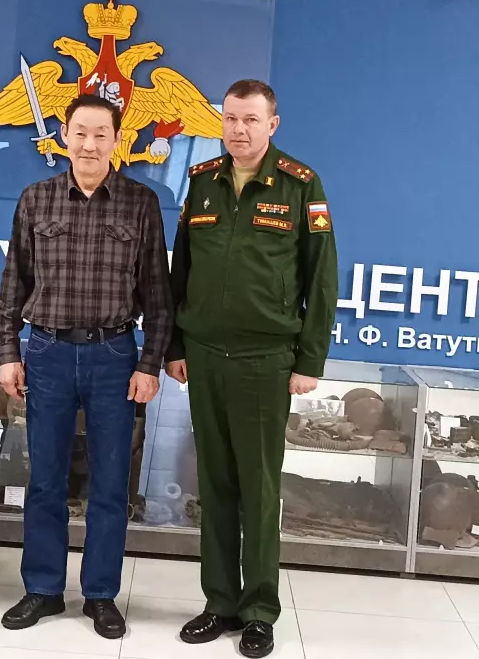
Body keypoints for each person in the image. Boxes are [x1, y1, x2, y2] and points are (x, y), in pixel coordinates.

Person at [165, 79, 338, 658]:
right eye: (230, 119)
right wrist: (174, 345)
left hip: (266, 359)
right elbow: (181, 272)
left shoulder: (300, 184)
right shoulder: (202, 181)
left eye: (250, 120)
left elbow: (321, 277)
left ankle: (259, 610)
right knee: (214, 484)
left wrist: (309, 359)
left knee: (260, 490)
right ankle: (219, 602)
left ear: (272, 124)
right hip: (205, 355)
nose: (238, 130)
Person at [0, 94, 173, 640]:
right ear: (64, 137)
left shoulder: (141, 203)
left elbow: (158, 295)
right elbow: (13, 285)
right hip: (46, 353)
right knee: (45, 479)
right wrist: (8, 353)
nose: (90, 144)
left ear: (117, 139)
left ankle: (100, 595)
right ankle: (43, 589)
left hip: (114, 356)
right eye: (80, 133)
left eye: (101, 134)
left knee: (110, 483)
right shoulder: (36, 199)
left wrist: (149, 363)